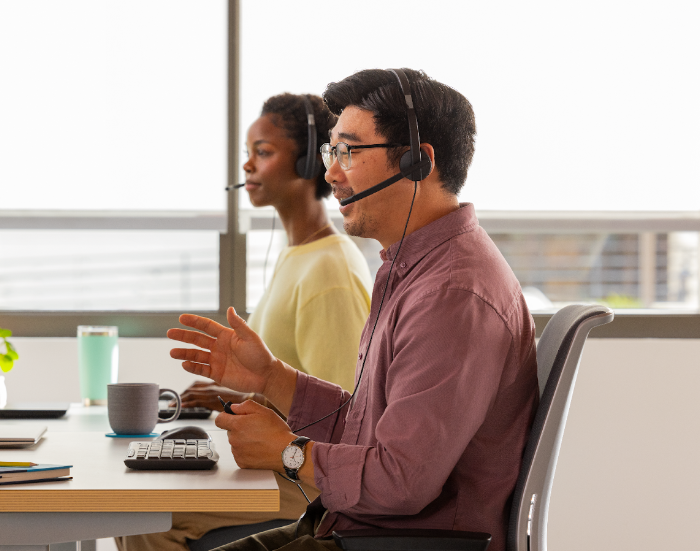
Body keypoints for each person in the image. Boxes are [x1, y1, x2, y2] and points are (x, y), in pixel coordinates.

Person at [165, 69, 539, 551]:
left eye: (348, 152)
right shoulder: (414, 269)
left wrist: (289, 453)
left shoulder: (452, 293)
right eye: (329, 152)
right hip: (353, 529)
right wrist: (272, 379)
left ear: (416, 162)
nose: (331, 173)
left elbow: (401, 481)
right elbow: (369, 435)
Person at [116, 93, 373, 551]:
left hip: (307, 484)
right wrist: (233, 396)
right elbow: (298, 382)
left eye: (263, 152)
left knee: (146, 516)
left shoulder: (329, 270)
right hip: (280, 468)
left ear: (309, 163)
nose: (247, 167)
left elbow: (343, 414)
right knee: (140, 500)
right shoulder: (298, 257)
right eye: (247, 154)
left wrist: (240, 399)